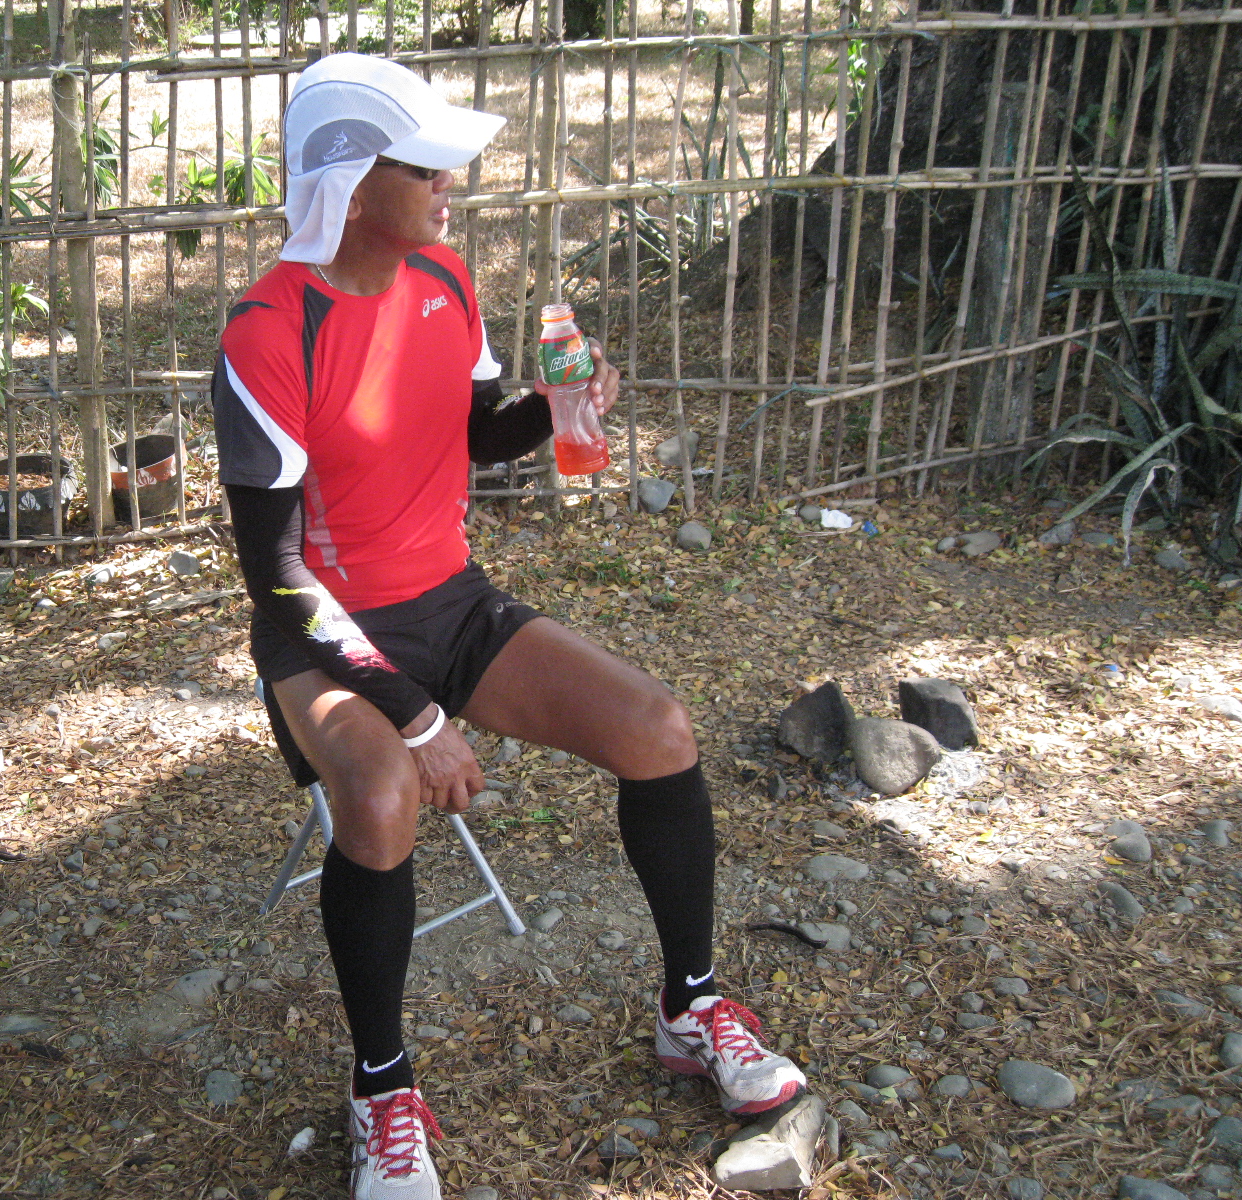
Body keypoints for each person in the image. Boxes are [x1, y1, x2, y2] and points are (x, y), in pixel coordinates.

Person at [210, 53, 807, 1200]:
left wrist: (552, 409)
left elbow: (476, 433)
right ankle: (382, 1090)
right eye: (424, 166)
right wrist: (416, 717)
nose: (451, 184)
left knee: (658, 729)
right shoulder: (267, 332)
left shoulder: (444, 275)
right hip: (320, 632)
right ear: (348, 180)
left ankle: (690, 1008)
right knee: (381, 796)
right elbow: (274, 574)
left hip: (452, 601)